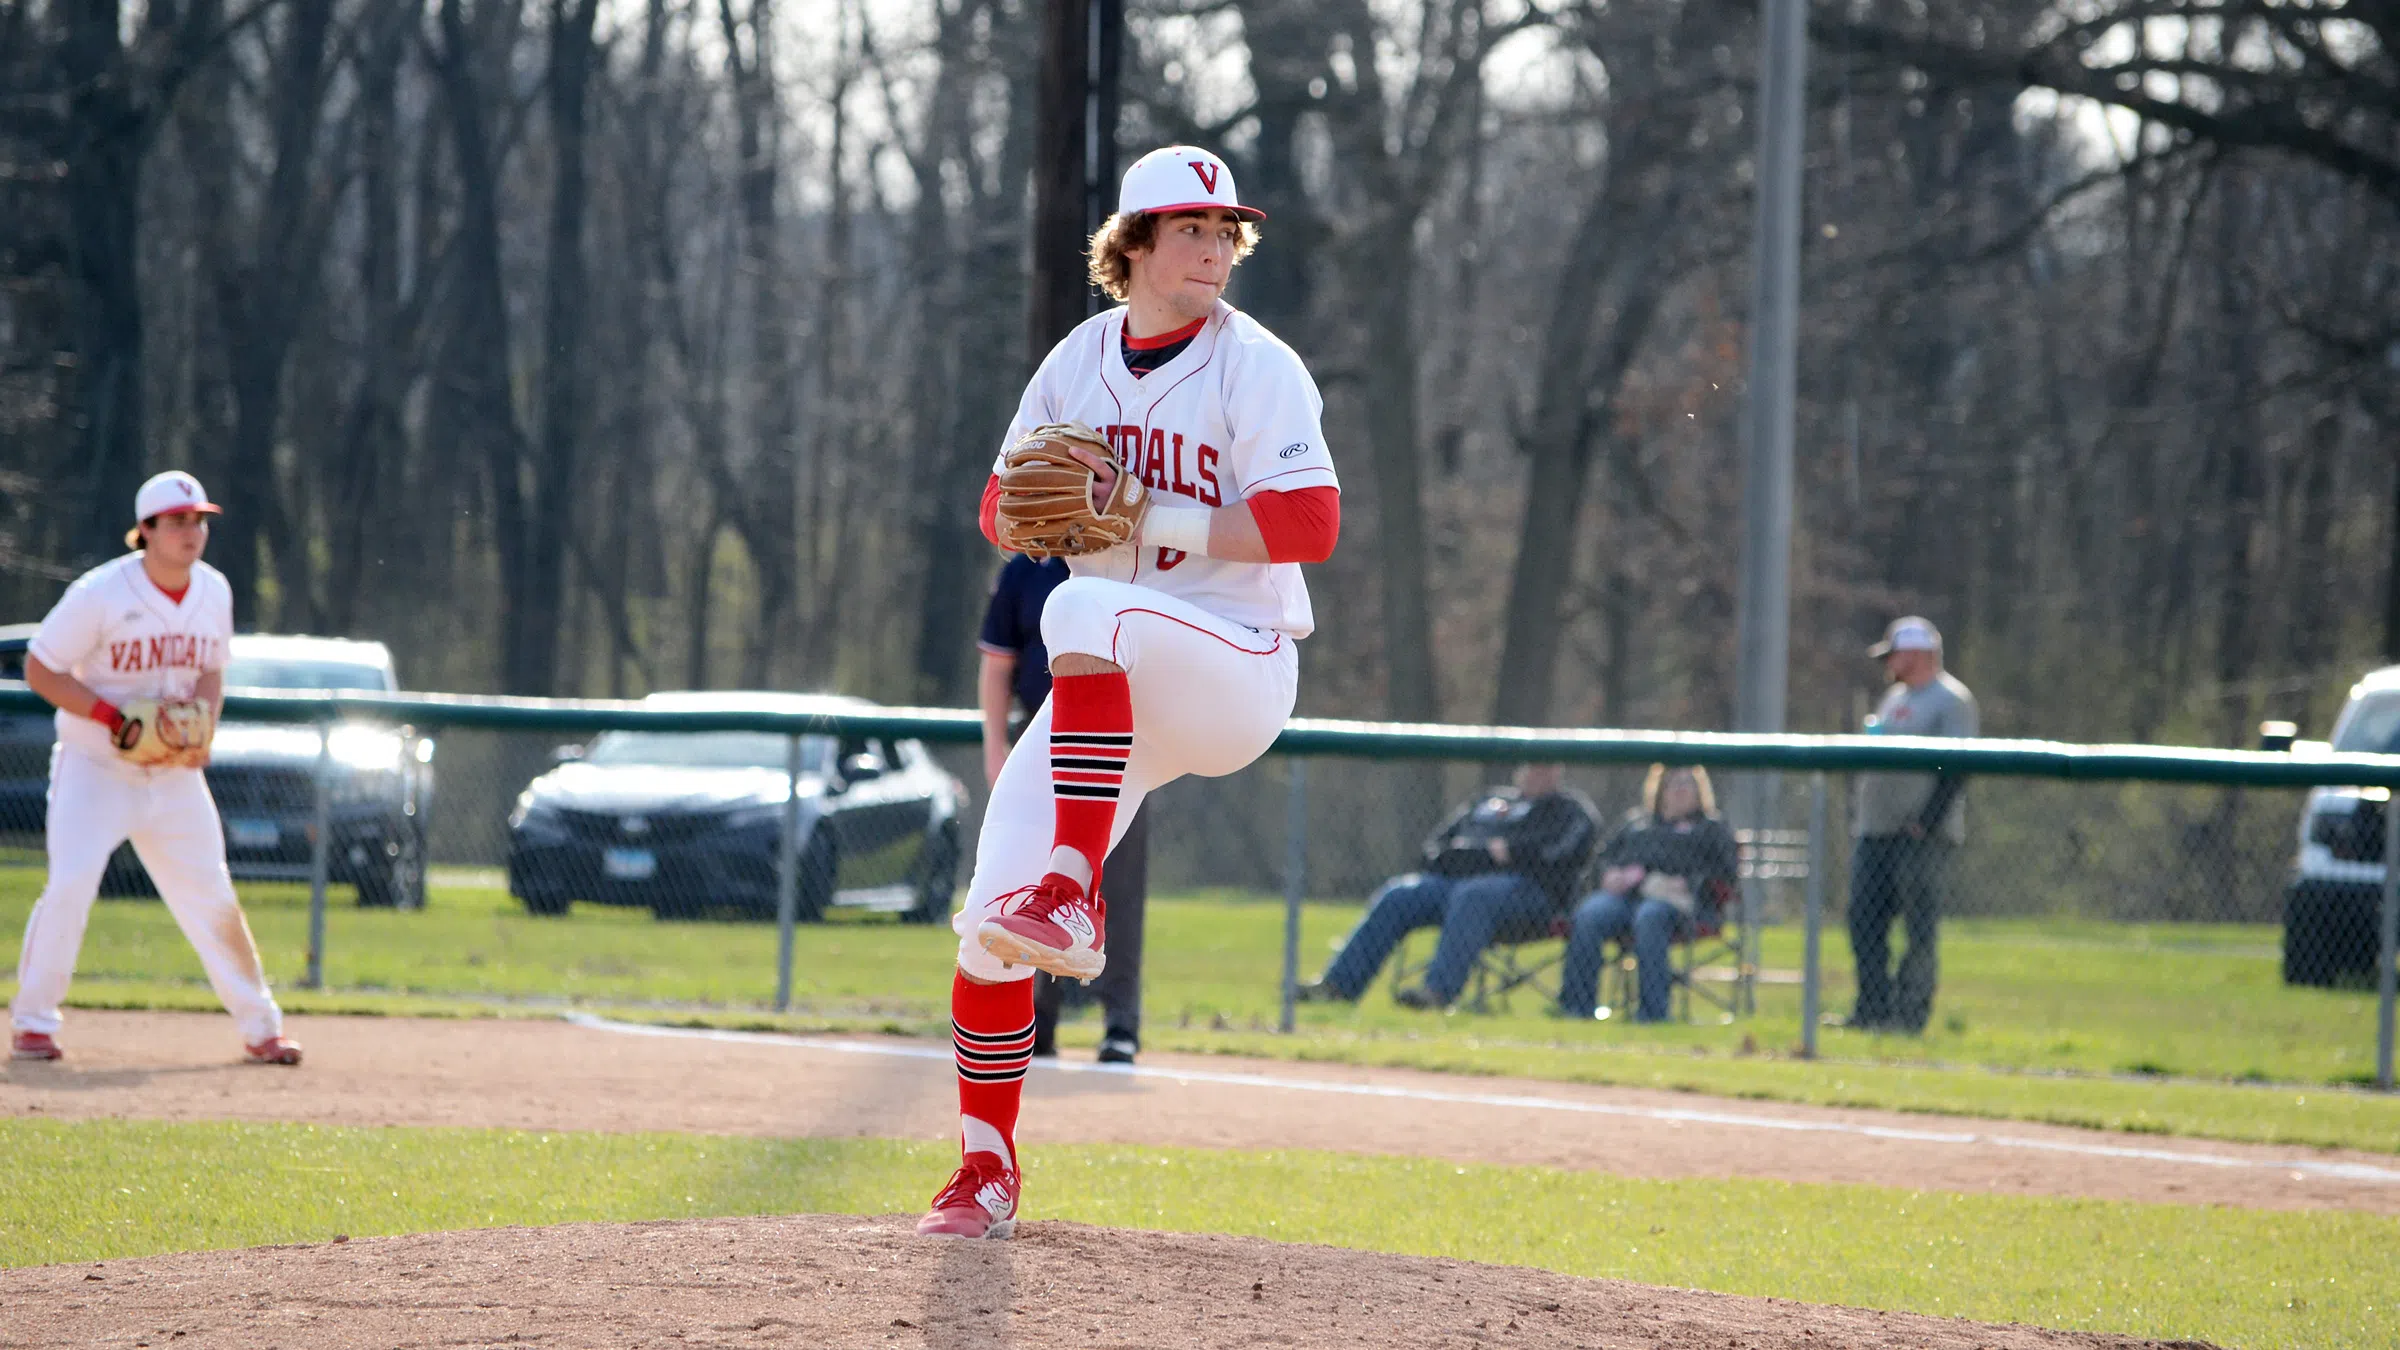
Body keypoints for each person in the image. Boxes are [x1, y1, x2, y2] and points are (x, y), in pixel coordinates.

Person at [919, 145, 1340, 1240]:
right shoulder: (1077, 361)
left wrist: (1147, 514)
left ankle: (1073, 887)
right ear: (1134, 245)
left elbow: (1310, 525)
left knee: (1079, 608)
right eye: (1191, 228)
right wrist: (1037, 509)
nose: (1214, 248)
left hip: (1234, 665)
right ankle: (985, 1173)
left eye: (1226, 231)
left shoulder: (1258, 366)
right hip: (1109, 689)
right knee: (986, 926)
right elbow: (998, 510)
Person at [9, 471, 302, 1067]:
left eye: (199, 521)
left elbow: (211, 670)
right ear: (145, 530)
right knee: (70, 885)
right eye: (177, 521)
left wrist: (205, 727)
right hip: (96, 766)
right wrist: (109, 716)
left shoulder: (213, 591)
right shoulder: (101, 593)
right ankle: (33, 1024)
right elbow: (40, 668)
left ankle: (261, 1028)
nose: (192, 531)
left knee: (211, 893)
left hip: (172, 774)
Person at [976, 552, 1151, 1066]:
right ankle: (1038, 1021)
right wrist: (994, 750)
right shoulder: (1026, 569)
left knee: (1119, 887)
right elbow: (998, 665)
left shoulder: (1130, 562)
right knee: (1032, 881)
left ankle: (1120, 1024)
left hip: (1123, 745)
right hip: (1041, 739)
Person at [1297, 764, 1598, 1010]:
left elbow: (1559, 858)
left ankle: (1437, 994)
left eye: (1545, 768)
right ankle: (1338, 986)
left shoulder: (1571, 812)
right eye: (1531, 766)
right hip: (1457, 889)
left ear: (1558, 772)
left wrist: (1511, 853)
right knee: (1401, 893)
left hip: (1532, 901)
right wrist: (1487, 855)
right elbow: (1433, 851)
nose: (1535, 774)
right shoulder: (1489, 802)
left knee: (1475, 894)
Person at [1848, 615, 1978, 1034]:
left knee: (1918, 928)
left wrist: (1928, 819)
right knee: (1863, 921)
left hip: (1920, 835)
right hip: (1876, 829)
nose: (1888, 662)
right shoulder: (1894, 697)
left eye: (1895, 654)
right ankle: (1871, 1009)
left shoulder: (1951, 699)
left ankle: (1908, 1016)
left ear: (1920, 654)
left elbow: (1957, 765)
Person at [1557, 764, 1740, 1023]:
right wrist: (1609, 875)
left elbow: (1727, 872)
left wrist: (1687, 882)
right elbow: (1602, 859)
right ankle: (1577, 1008)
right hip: (1625, 899)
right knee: (1590, 913)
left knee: (1650, 916)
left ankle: (1652, 1013)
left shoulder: (1711, 828)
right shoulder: (1637, 823)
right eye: (1673, 783)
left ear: (1700, 790)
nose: (1679, 790)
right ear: (1660, 789)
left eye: (1687, 783)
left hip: (1680, 906)